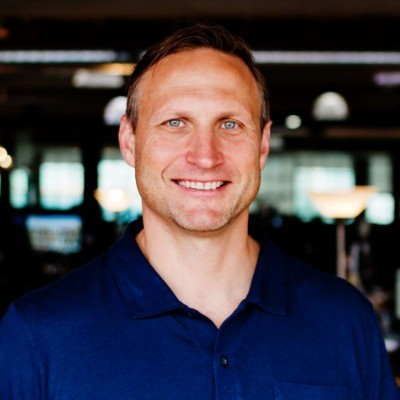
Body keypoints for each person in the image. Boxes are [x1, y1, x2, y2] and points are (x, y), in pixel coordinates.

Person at [0, 23, 398, 399]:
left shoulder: (344, 321)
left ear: (262, 145)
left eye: (230, 124)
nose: (205, 157)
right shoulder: (38, 333)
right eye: (175, 123)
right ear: (129, 141)